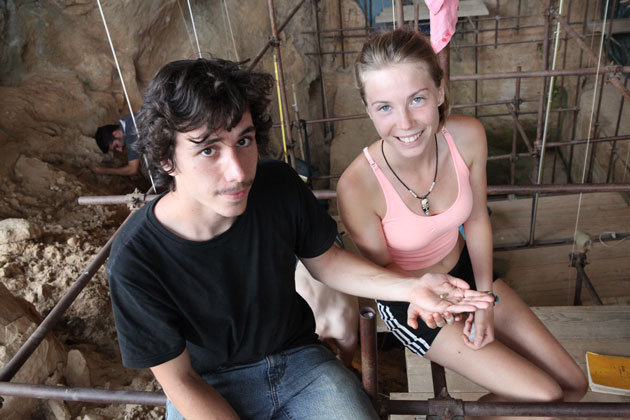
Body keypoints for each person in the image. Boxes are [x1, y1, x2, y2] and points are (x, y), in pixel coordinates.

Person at [106, 57, 495, 420]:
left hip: (300, 362)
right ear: (167, 159)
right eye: (208, 150)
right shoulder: (135, 259)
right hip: (208, 383)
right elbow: (178, 380)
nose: (237, 172)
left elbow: (327, 262)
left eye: (244, 141)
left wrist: (411, 288)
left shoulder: (276, 185)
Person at [336, 28, 588, 417]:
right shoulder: (357, 187)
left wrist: (484, 300)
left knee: (573, 386)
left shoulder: (467, 136)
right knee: (543, 395)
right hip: (411, 299)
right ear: (368, 109)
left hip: (468, 273)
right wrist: (431, 299)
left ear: (440, 91)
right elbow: (381, 270)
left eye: (417, 99)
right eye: (384, 107)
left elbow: (476, 218)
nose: (405, 123)